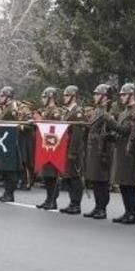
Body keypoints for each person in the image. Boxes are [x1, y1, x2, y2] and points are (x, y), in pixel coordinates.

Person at [105, 83, 135, 224]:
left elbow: (125, 130)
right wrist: (110, 134)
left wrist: (111, 121)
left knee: (130, 183)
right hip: (120, 150)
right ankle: (127, 211)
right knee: (123, 184)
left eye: (124, 94)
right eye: (121, 95)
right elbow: (119, 131)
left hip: (129, 151)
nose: (122, 97)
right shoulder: (124, 112)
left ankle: (133, 213)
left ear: (131, 95)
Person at [83, 84, 114, 219]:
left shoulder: (107, 111)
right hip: (94, 149)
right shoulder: (98, 110)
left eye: (97, 94)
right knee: (95, 179)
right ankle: (97, 206)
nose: (94, 96)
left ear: (104, 96)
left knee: (102, 180)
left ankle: (102, 208)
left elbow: (110, 130)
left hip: (102, 150)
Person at [58, 85, 87, 214]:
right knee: (68, 176)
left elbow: (77, 134)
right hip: (66, 148)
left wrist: (73, 152)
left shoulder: (77, 112)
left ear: (73, 97)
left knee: (75, 176)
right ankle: (72, 202)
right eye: (64, 95)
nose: (64, 97)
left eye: (67, 95)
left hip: (74, 150)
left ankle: (76, 204)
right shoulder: (68, 111)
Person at [36, 87, 64, 210]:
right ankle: (48, 199)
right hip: (45, 146)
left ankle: (53, 200)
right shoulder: (46, 111)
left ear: (51, 97)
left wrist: (41, 120)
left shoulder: (56, 111)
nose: (42, 100)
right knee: (46, 175)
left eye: (44, 97)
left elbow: (55, 128)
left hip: (53, 146)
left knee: (52, 175)